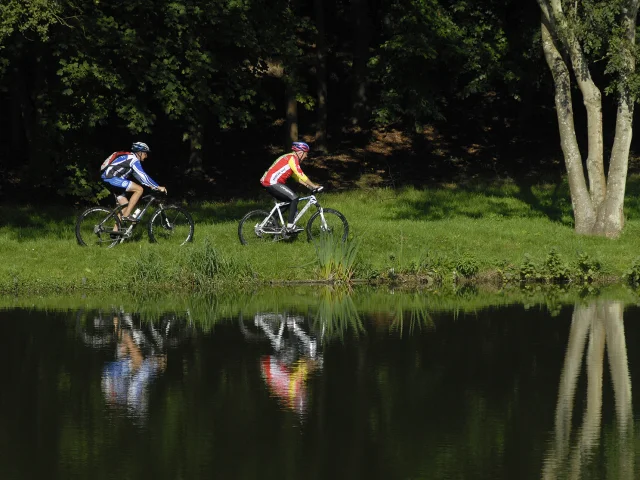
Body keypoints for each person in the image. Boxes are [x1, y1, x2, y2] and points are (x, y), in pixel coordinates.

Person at [260, 141, 322, 232]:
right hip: (272, 182)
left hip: (271, 182)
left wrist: (309, 187)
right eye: (306, 154)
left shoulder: (290, 158)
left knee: (288, 201)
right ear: (300, 153)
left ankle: (270, 222)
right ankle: (290, 225)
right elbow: (300, 174)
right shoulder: (292, 158)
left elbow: (297, 178)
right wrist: (314, 185)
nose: (306, 156)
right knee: (294, 198)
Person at [101, 142, 167, 221]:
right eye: (145, 153)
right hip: (111, 178)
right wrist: (158, 186)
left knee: (125, 206)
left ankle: (115, 232)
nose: (146, 156)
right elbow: (143, 175)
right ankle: (126, 216)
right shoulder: (133, 159)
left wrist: (151, 185)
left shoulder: (129, 158)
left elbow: (139, 178)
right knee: (139, 189)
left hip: (110, 178)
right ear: (139, 153)